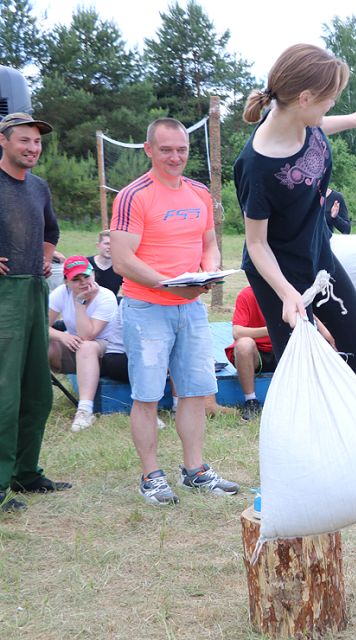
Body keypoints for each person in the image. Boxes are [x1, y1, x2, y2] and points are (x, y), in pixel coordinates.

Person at [235, 44, 356, 384]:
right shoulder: (255, 166)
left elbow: (322, 125)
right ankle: (304, 430)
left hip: (316, 254)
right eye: (331, 96)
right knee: (299, 363)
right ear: (306, 98)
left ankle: (337, 413)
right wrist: (286, 292)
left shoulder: (305, 123)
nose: (333, 103)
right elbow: (256, 244)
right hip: (277, 272)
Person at [111, 117, 238, 506]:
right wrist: (167, 283)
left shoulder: (198, 192)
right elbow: (121, 259)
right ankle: (151, 476)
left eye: (181, 149)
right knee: (147, 396)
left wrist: (208, 270)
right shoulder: (134, 195)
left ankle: (195, 471)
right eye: (166, 149)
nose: (175, 157)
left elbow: (209, 242)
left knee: (196, 392)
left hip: (191, 307)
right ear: (149, 150)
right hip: (146, 307)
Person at [0, 112, 72, 513]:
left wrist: (45, 260)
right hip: (2, 297)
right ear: (3, 141)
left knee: (36, 391)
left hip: (32, 291)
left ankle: (25, 473)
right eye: (24, 140)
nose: (32, 148)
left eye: (37, 142)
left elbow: (51, 232)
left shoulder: (39, 188)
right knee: (4, 392)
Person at [48, 256, 126, 432]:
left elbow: (88, 335)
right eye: (76, 279)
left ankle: (84, 410)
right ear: (67, 282)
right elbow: (40, 326)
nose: (83, 282)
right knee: (41, 345)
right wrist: (61, 336)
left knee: (86, 346)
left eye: (86, 276)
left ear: (94, 275)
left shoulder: (106, 297)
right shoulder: (61, 292)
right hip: (74, 343)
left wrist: (80, 303)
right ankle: (30, 398)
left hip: (107, 348)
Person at [225, 285, 277, 421]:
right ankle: (251, 401)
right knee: (243, 344)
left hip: (282, 348)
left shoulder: (290, 293)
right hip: (256, 355)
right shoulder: (247, 294)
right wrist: (271, 329)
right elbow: (237, 332)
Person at [87, 229, 123, 296]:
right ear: (98, 245)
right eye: (107, 244)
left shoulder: (120, 267)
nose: (110, 247)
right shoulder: (86, 263)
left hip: (110, 303)